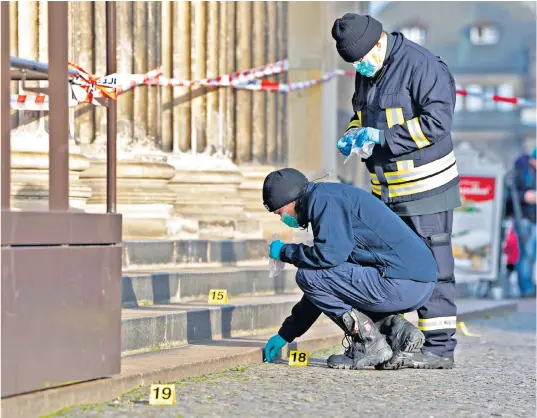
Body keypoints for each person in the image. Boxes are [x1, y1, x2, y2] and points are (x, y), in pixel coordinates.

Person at [331, 13, 460, 369]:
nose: (360, 67)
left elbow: (438, 123)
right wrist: (353, 133)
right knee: (382, 264)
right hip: (386, 191)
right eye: (354, 63)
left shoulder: (422, 66)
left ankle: (439, 348)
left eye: (361, 59)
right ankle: (386, 341)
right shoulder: (368, 69)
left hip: (427, 187)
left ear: (378, 43)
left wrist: (382, 138)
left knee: (435, 266)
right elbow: (363, 113)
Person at [262, 168, 437, 370]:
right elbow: (327, 281)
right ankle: (397, 332)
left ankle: (369, 344)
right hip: (417, 282)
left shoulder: (323, 201)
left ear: (290, 201)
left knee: (307, 275)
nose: (283, 219)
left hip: (400, 282)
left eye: (280, 213)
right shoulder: (330, 196)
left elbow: (327, 258)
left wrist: (285, 251)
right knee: (320, 276)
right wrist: (286, 333)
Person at [513, 147, 536, 297]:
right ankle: (525, 289)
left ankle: (528, 286)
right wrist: (525, 196)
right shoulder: (522, 170)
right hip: (524, 217)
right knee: (526, 253)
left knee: (531, 254)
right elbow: (511, 192)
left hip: (533, 218)